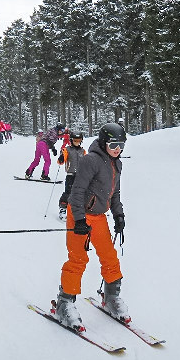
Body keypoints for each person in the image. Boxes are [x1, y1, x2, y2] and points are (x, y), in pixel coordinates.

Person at [52, 122, 129, 330]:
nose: (118, 149)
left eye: (122, 145)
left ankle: (111, 297)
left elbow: (115, 194)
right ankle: (64, 302)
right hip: (80, 214)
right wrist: (78, 219)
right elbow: (77, 191)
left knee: (109, 256)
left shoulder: (116, 163)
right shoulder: (90, 160)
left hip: (98, 217)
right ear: (104, 143)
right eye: (114, 145)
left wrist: (118, 215)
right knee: (78, 259)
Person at [57, 131, 86, 221]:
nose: (77, 142)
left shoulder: (83, 151)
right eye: (75, 140)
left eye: (79, 140)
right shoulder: (67, 150)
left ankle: (82, 209)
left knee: (82, 192)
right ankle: (63, 208)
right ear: (71, 140)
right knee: (68, 192)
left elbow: (86, 161)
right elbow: (60, 162)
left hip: (80, 175)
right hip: (70, 175)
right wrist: (61, 158)